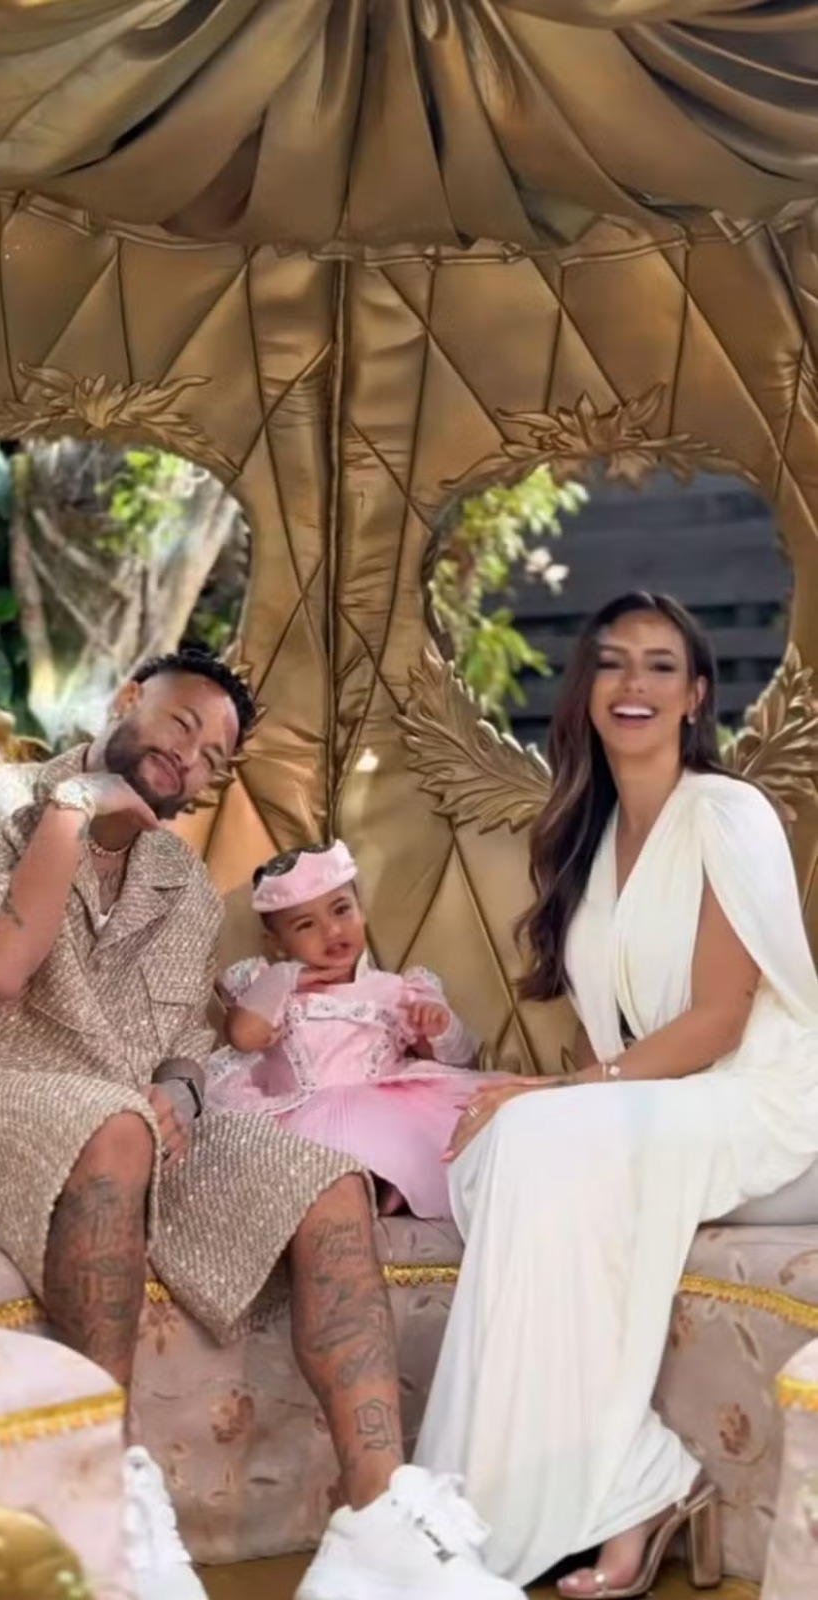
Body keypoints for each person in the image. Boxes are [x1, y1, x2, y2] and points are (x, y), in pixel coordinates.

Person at [0, 645, 522, 1600]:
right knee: (113, 1123)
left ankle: (378, 1525)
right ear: (129, 697)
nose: (193, 759)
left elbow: (180, 1046)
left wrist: (182, 1090)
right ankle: (101, 1505)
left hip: (120, 1123)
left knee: (326, 1181)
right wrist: (73, 806)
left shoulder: (175, 877)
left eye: (215, 757)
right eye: (182, 725)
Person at [415, 592, 818, 1598]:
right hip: (671, 1109)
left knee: (532, 1135)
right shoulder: (585, 841)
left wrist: (561, 1094)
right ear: (587, 689)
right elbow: (619, 1048)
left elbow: (720, 1020)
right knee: (490, 1149)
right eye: (611, 662)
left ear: (695, 697)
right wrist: (553, 1103)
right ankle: (619, 1477)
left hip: (767, 1103)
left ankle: (494, 1524)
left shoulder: (726, 813)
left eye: (658, 665)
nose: (632, 683)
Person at [209, 839, 480, 1218]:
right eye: (306, 924)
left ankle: (388, 1185)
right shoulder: (272, 987)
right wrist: (284, 978)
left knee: (423, 1136)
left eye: (341, 909)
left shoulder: (396, 990)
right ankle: (348, 1192)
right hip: (299, 1114)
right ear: (276, 944)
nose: (332, 930)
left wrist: (439, 1025)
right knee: (301, 1158)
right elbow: (243, 1036)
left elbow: (460, 1063)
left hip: (382, 1112)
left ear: (361, 909)